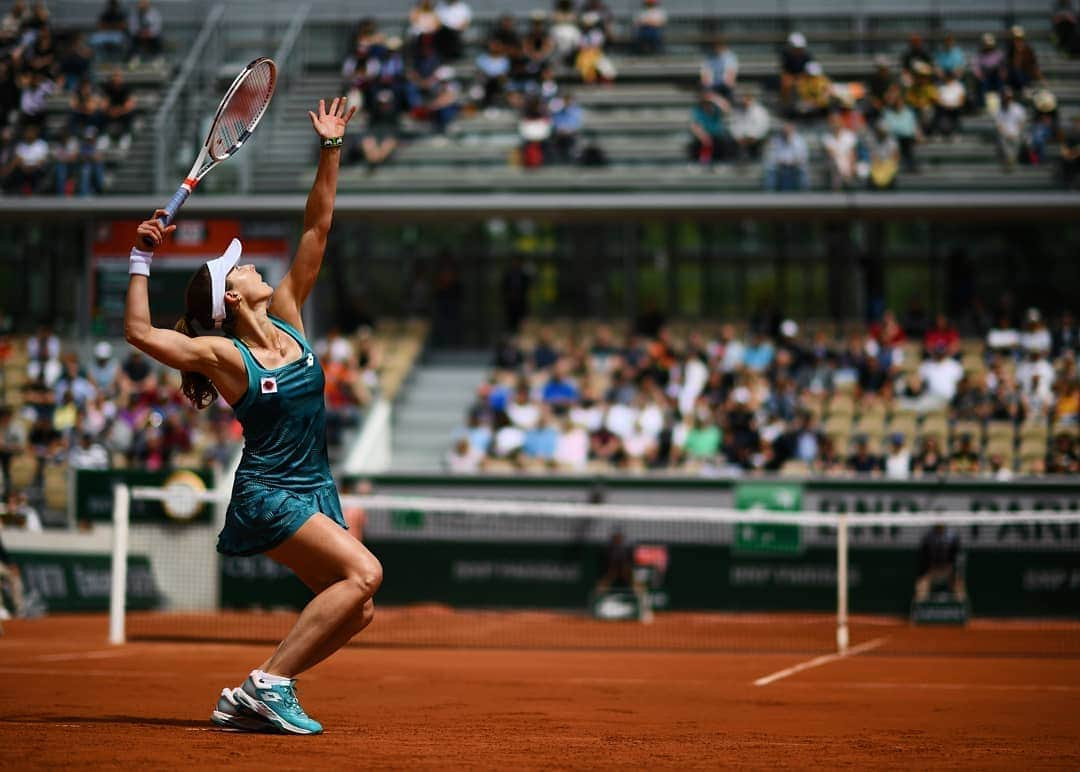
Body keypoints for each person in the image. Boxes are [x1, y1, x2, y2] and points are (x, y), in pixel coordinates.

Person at [124, 97, 381, 736]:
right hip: (269, 493)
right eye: (237, 266)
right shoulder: (223, 355)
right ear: (231, 298)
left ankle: (250, 693)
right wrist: (140, 257)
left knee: (358, 607)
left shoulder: (290, 313)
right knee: (366, 572)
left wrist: (331, 147)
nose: (250, 262)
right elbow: (137, 332)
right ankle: (270, 685)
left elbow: (317, 227)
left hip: (314, 488)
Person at [914, 524, 966, 602]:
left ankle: (961, 608)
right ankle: (920, 608)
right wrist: (929, 569)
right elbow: (923, 557)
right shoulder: (928, 536)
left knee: (959, 584)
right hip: (932, 570)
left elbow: (957, 555)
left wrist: (951, 569)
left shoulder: (952, 536)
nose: (939, 527)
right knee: (921, 584)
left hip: (949, 570)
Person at [763, 121, 808, 191]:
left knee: (801, 172)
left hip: (795, 167)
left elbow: (802, 157)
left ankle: (805, 197)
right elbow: (771, 157)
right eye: (785, 130)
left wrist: (792, 162)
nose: (787, 132)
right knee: (771, 172)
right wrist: (783, 162)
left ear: (793, 130)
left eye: (789, 130)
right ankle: (769, 196)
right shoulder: (775, 140)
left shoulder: (799, 140)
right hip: (779, 167)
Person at [993, 88, 1027, 170]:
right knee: (1002, 139)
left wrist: (1016, 133)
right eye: (1005, 97)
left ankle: (1010, 160)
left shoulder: (1019, 108)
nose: (1007, 100)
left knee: (1017, 139)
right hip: (1004, 134)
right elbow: (999, 126)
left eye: (1008, 98)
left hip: (1016, 133)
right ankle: (1010, 159)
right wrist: (1006, 134)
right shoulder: (998, 110)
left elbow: (1022, 123)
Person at [1060, 114, 1080, 190]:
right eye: (1077, 123)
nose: (1078, 125)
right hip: (1073, 158)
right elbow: (1064, 150)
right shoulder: (1070, 136)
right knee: (1066, 161)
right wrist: (1073, 154)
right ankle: (1069, 183)